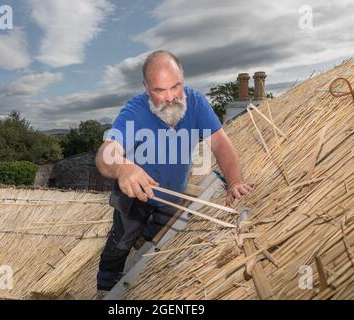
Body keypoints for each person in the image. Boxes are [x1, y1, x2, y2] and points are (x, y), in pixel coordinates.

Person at [95, 50, 254, 297]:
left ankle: (142, 239)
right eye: (159, 90)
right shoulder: (135, 111)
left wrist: (235, 182)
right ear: (146, 88)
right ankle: (104, 287)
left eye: (175, 87)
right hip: (135, 194)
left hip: (171, 196)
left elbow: (221, 143)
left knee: (157, 238)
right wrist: (124, 167)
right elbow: (105, 155)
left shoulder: (197, 103)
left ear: (183, 80)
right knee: (120, 242)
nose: (170, 97)